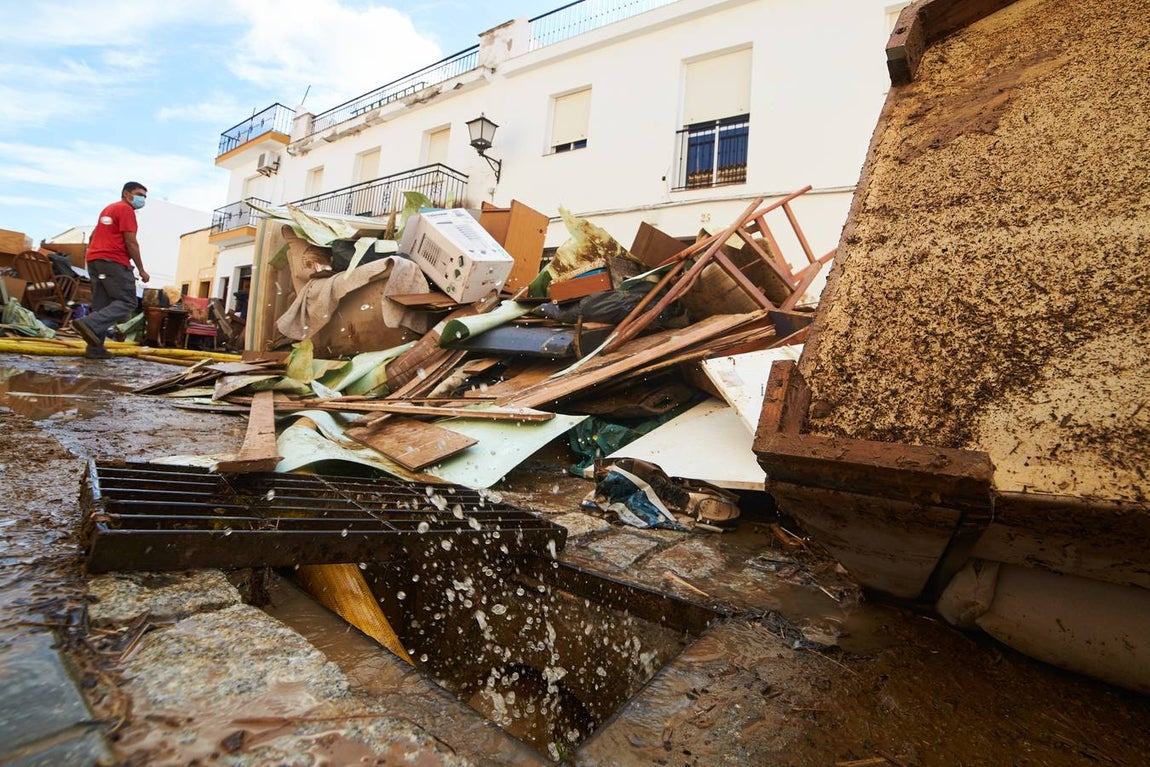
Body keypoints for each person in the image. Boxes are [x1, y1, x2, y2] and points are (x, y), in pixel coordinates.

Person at [72, 182, 150, 359]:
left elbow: (93, 235)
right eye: (139, 194)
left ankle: (95, 349)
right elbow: (131, 242)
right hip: (114, 261)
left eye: (145, 196)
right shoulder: (126, 210)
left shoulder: (108, 209)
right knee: (128, 301)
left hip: (95, 260)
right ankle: (88, 323)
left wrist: (95, 255)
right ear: (126, 194)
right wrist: (141, 269)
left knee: (102, 305)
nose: (142, 199)